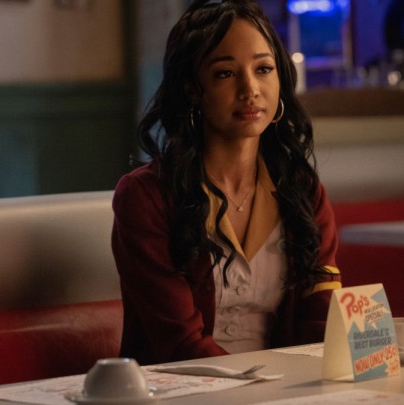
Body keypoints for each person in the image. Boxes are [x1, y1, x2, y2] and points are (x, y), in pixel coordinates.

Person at [112, 0, 342, 366]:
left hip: (287, 385)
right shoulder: (146, 197)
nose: (250, 89)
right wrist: (260, 386)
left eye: (263, 69)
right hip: (182, 386)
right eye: (225, 73)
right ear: (192, 88)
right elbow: (179, 344)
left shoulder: (302, 190)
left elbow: (322, 320)